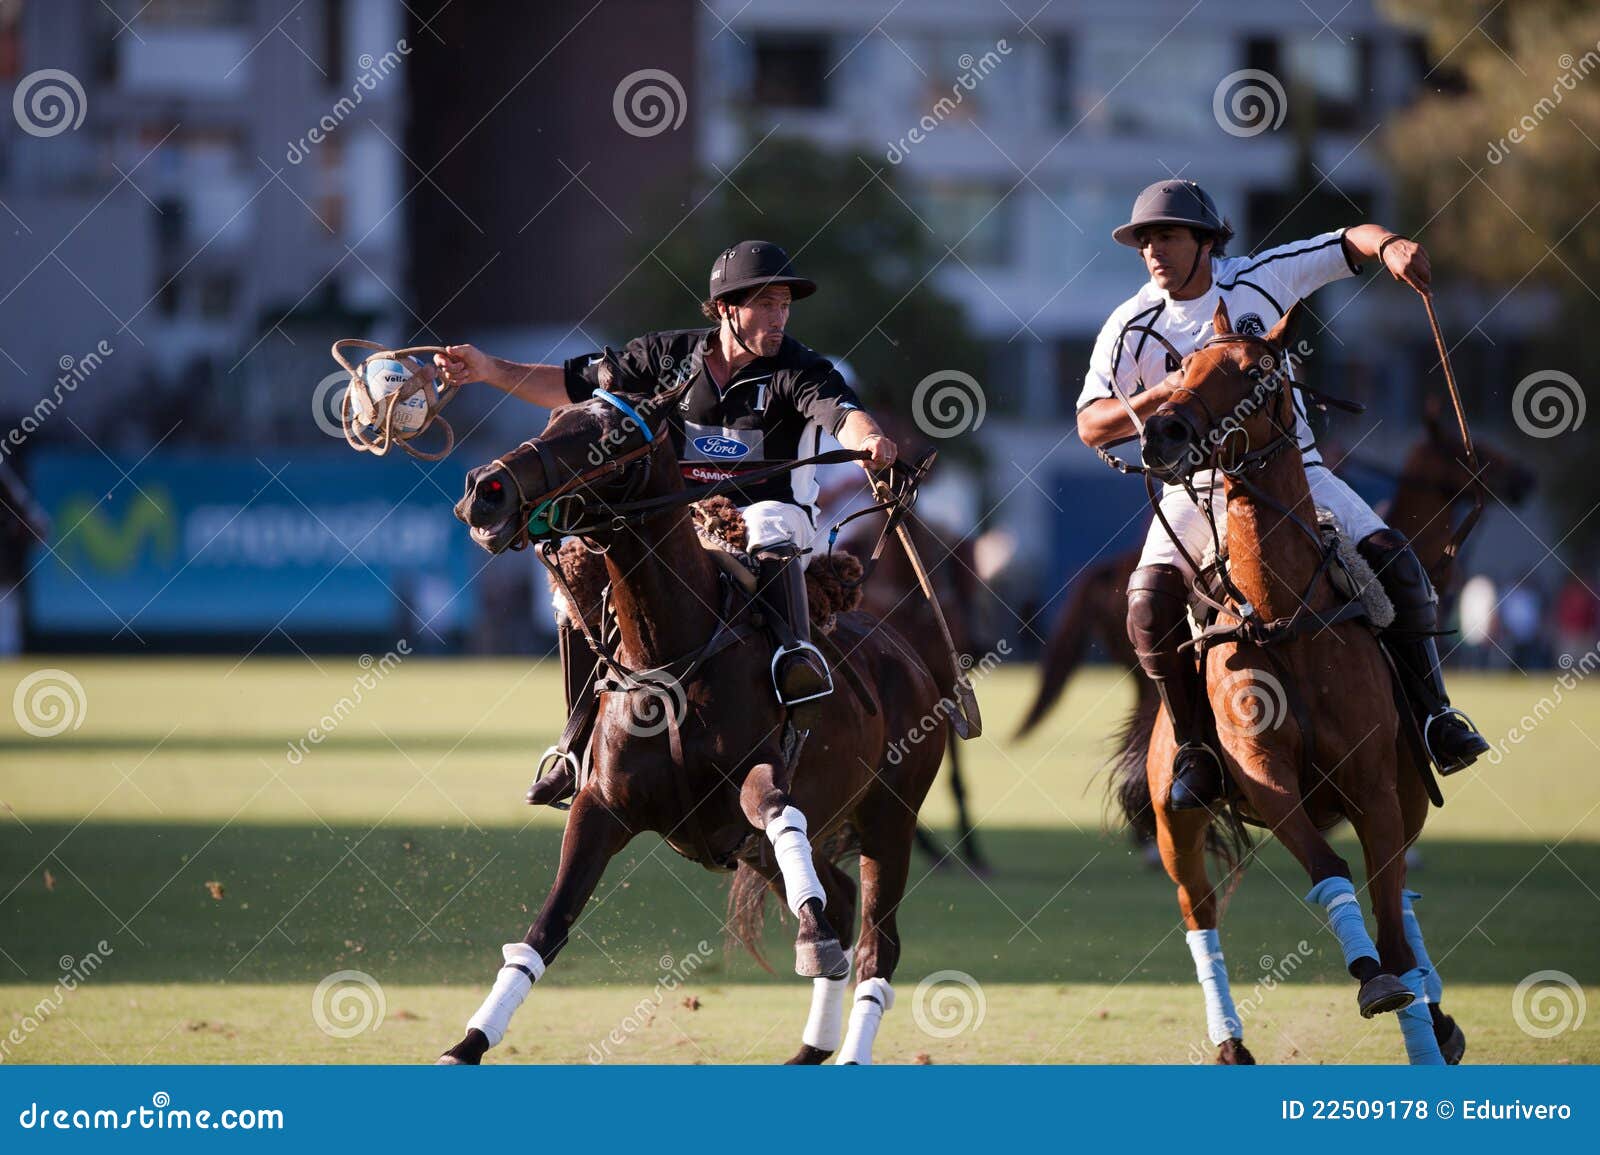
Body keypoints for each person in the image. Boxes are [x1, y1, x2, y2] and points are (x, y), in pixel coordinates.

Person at [434, 240, 897, 807]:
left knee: (771, 524)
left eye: (785, 306)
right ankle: (577, 742)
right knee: (573, 578)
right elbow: (570, 386)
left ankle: (793, 659)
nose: (780, 318)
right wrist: (487, 370)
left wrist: (868, 439)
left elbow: (840, 414)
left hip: (767, 516)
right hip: (675, 522)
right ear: (726, 307)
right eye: (766, 305)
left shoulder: (799, 369)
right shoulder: (663, 357)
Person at [1076, 179, 1490, 811]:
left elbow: (1347, 243)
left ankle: (1435, 718)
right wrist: (1166, 393)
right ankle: (1193, 748)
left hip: (1298, 475)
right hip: (1197, 488)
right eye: (1144, 240)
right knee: (1145, 607)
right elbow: (1090, 423)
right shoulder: (1131, 324)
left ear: (1207, 241)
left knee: (1399, 563)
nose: (1153, 251)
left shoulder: (1258, 280)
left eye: (1168, 235)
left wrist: (1394, 246)